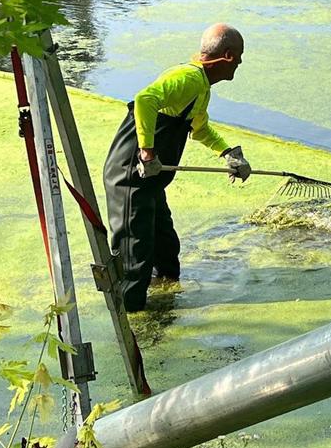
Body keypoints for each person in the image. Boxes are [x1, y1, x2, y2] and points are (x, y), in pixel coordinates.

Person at [104, 23, 253, 311]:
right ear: (228, 56)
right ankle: (129, 319)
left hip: (153, 180)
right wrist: (147, 151)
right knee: (134, 259)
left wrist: (227, 153)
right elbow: (145, 100)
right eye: (241, 56)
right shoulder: (187, 78)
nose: (241, 63)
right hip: (131, 176)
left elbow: (199, 129)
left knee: (166, 253)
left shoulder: (200, 87)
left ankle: (163, 305)